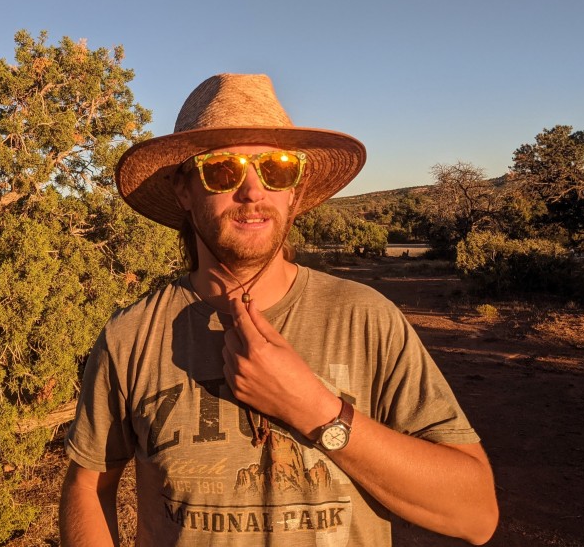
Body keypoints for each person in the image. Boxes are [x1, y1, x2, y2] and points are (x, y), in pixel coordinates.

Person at [59, 74, 498, 546]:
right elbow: (89, 483)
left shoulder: (367, 319)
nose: (253, 190)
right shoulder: (132, 335)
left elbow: (474, 516)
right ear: (184, 191)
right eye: (222, 170)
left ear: (294, 191)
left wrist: (315, 410)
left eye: (277, 168)